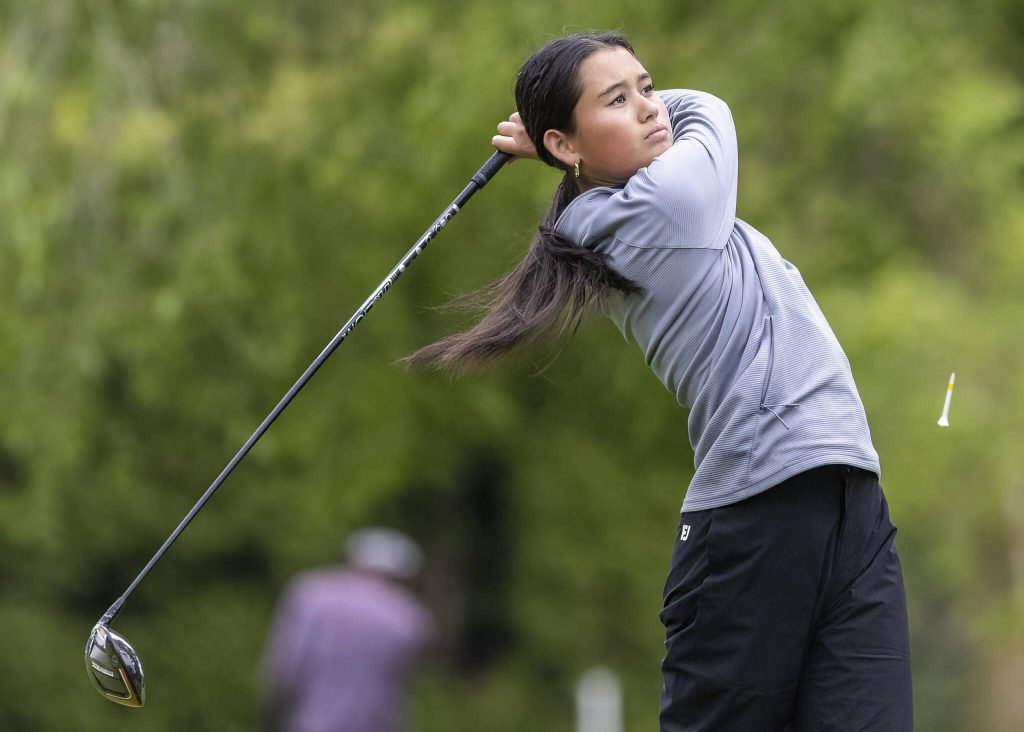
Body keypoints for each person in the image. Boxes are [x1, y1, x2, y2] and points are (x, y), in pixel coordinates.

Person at [407, 32, 912, 731]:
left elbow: (665, 122)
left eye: (647, 87)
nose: (650, 108)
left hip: (848, 500)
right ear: (564, 145)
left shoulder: (641, 199)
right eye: (618, 98)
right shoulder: (661, 209)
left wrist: (578, 130)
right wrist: (563, 136)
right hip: (754, 521)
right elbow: (712, 109)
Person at [260, 528, 434, 732]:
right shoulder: (409, 617)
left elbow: (286, 666)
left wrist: (270, 711)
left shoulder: (311, 593)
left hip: (308, 722)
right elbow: (403, 683)